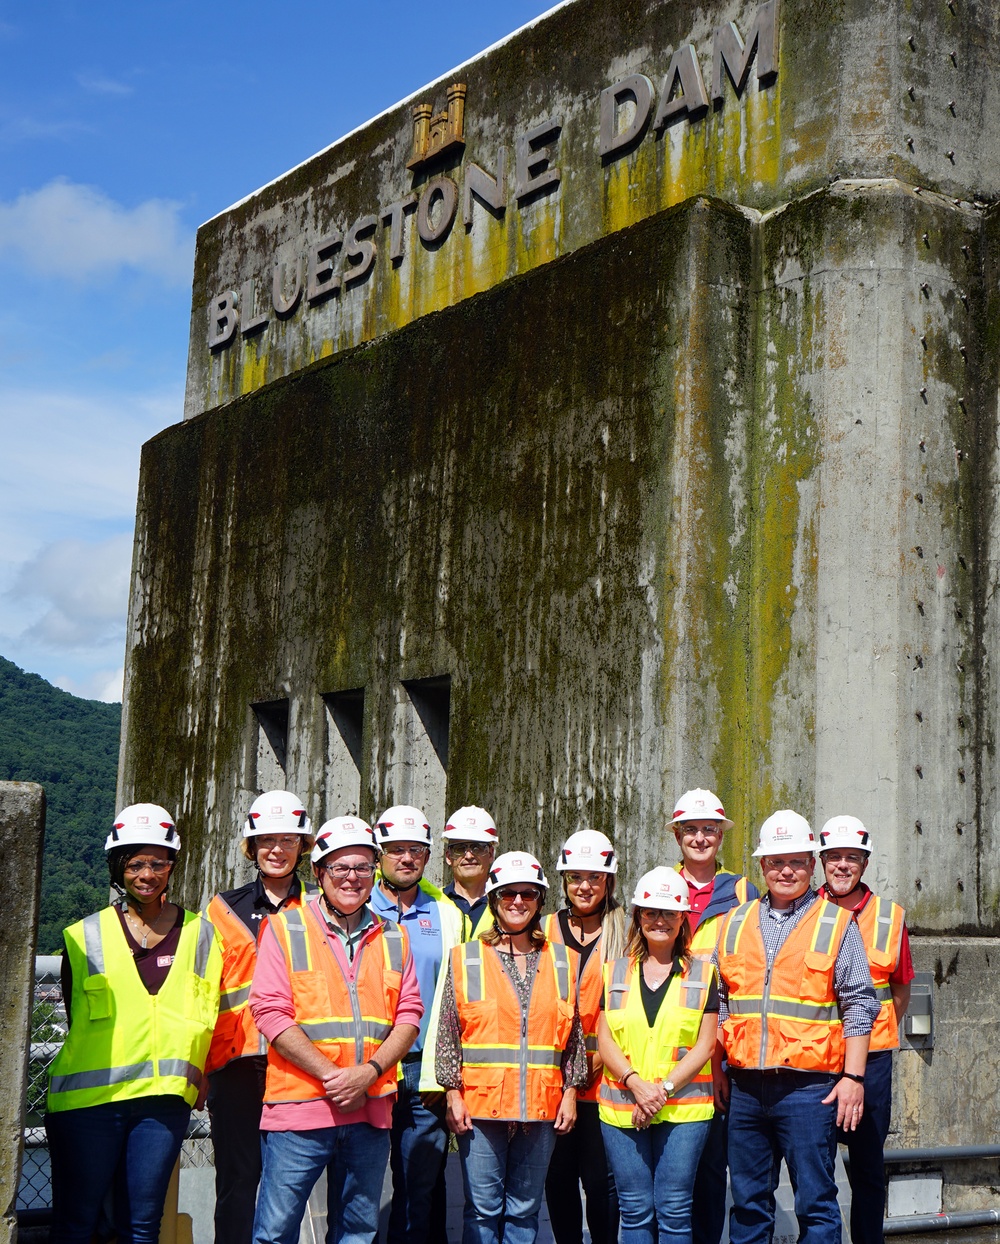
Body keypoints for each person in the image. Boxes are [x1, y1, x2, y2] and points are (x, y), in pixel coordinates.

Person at [46, 803, 222, 1244]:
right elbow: (72, 1013)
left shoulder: (202, 934)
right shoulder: (82, 936)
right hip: (89, 1104)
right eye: (135, 863)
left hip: (162, 1104)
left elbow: (210, 1015)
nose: (147, 873)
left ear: (172, 866)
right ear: (118, 868)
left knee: (142, 1227)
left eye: (158, 862)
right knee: (76, 1224)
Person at [249, 815, 423, 1244]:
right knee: (275, 1232)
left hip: (370, 1109)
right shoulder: (285, 929)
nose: (352, 878)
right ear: (319, 871)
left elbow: (409, 1015)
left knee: (358, 1232)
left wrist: (368, 1073)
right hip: (300, 1108)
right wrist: (332, 1076)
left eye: (363, 867)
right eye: (340, 867)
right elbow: (270, 1012)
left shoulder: (394, 937)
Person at [715, 810, 880, 1244]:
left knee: (816, 1203)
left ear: (811, 863)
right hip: (746, 1087)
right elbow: (719, 1003)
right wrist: (718, 1069)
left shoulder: (835, 923)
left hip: (810, 1090)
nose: (786, 870)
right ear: (762, 866)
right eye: (775, 861)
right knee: (748, 1206)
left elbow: (861, 1003)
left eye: (796, 861)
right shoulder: (734, 923)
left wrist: (854, 1077)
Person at [436, 850, 588, 1244]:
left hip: (542, 1107)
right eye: (507, 893)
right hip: (481, 1107)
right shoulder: (467, 958)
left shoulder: (564, 961)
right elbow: (448, 1031)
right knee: (483, 1212)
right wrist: (452, 1093)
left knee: (524, 1212)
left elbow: (573, 1037)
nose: (518, 901)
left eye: (528, 893)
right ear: (493, 898)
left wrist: (571, 1092)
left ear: (540, 900)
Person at [205, 790, 316, 1244]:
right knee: (237, 1179)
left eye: (287, 839)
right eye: (266, 839)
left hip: (296, 1063)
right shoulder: (221, 909)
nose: (276, 849)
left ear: (303, 847)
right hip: (236, 1063)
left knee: (286, 1183)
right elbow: (203, 993)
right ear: (251, 847)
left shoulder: (318, 909)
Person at [597, 867, 717, 1244]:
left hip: (684, 1111)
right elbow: (605, 1040)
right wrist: (636, 1085)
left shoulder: (704, 974)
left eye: (668, 913)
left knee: (674, 1208)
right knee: (634, 1210)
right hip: (621, 1109)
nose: (659, 920)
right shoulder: (614, 971)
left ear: (683, 918)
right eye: (650, 912)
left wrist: (660, 1091)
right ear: (638, 917)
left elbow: (705, 1045)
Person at [369, 804, 464, 1244]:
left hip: (423, 1069)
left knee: (417, 1190)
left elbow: (455, 995)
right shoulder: (352, 901)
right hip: (367, 1067)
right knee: (359, 1187)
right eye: (397, 850)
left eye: (417, 850)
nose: (407, 858)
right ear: (379, 854)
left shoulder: (445, 913)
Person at [818, 815, 914, 1244]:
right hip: (815, 1054)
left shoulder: (890, 917)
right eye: (834, 856)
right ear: (821, 860)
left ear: (865, 862)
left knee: (867, 1169)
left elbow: (900, 989)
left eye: (851, 858)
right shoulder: (803, 910)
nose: (842, 865)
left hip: (871, 1061)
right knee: (814, 1166)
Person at [670, 787, 759, 1244]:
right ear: (677, 835)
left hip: (718, 1048)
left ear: (720, 837)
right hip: (664, 1045)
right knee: (667, 1174)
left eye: (709, 830)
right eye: (691, 830)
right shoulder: (660, 883)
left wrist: (720, 1060)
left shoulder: (744, 890)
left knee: (710, 1169)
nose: (700, 838)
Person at [542, 829, 624, 1244]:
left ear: (608, 879)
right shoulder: (543, 930)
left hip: (606, 1080)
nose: (584, 886)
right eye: (575, 877)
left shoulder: (626, 932)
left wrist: (591, 1066)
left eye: (594, 877)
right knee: (558, 1178)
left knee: (601, 1180)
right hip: (552, 1082)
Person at [441, 805, 498, 940]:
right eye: (460, 849)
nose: (468, 856)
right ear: (448, 857)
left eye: (477, 848)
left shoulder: (505, 905)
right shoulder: (433, 903)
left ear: (490, 854)